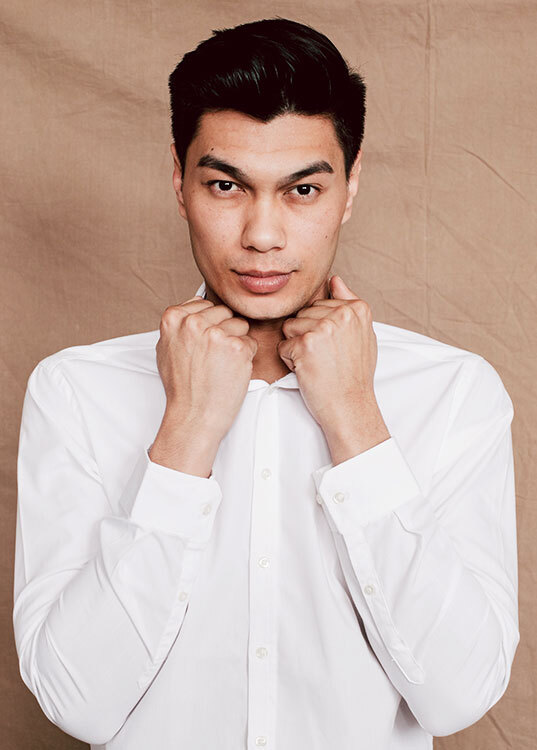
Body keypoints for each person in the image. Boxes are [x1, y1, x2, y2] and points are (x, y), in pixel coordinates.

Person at [13, 16, 519, 750]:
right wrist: (185, 436)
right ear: (179, 182)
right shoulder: (76, 391)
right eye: (226, 185)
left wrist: (356, 421)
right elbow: (76, 704)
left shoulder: (453, 392)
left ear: (349, 188)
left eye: (302, 190)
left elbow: (458, 698)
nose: (262, 235)